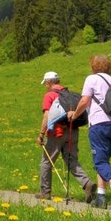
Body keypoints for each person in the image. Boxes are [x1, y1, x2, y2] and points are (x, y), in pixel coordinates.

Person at [68, 55, 111, 209]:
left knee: (99, 161)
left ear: (93, 66)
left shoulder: (91, 79)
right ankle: (100, 196)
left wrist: (74, 115)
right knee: (103, 161)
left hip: (100, 124)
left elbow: (85, 100)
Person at [35, 71, 95, 202]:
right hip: (73, 131)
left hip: (57, 132)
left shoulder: (49, 95)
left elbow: (46, 116)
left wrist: (41, 134)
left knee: (47, 161)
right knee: (71, 160)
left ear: (49, 82)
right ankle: (87, 183)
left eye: (45, 83)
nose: (45, 85)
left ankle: (45, 192)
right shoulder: (70, 95)